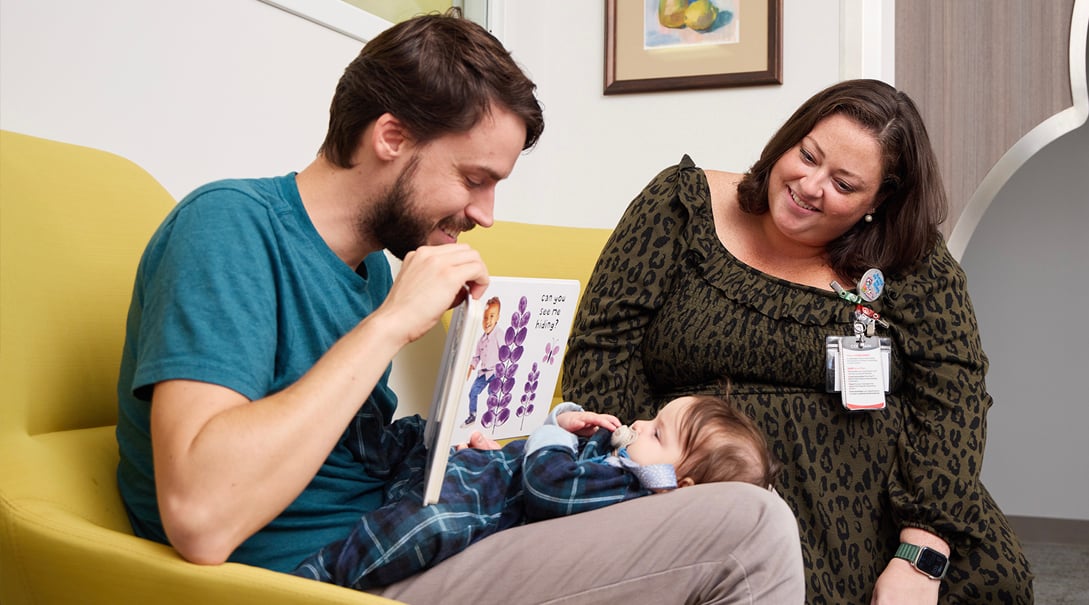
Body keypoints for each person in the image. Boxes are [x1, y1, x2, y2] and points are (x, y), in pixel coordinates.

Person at [114, 9, 805, 604]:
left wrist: (479, 439)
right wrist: (391, 325)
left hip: (408, 538)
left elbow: (350, 455)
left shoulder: (362, 272)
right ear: (391, 137)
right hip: (328, 576)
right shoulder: (230, 227)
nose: (485, 213)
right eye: (474, 179)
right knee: (750, 526)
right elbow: (200, 515)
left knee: (743, 501)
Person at [562, 79, 1034, 605]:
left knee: (996, 584)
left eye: (844, 184)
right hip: (709, 488)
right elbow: (601, 352)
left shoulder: (912, 259)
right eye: (807, 156)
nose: (810, 186)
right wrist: (637, 478)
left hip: (886, 510)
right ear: (788, 140)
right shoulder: (680, 207)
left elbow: (955, 399)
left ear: (879, 201)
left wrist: (919, 556)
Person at [292, 394, 780, 590]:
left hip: (482, 507)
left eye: (656, 433)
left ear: (679, 488)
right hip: (488, 472)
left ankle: (322, 577)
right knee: (416, 436)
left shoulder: (630, 487)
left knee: (424, 526)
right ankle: (347, 431)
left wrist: (555, 432)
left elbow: (548, 484)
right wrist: (566, 419)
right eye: (653, 417)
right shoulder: (622, 464)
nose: (638, 424)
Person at [462, 296, 501, 425]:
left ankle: (493, 416)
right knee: (472, 393)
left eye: (491, 316)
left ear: (497, 318)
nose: (488, 321)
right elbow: (477, 356)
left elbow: (506, 351)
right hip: (483, 373)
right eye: (485, 317)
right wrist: (470, 369)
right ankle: (472, 415)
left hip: (496, 372)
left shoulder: (499, 334)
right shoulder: (481, 340)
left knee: (492, 394)